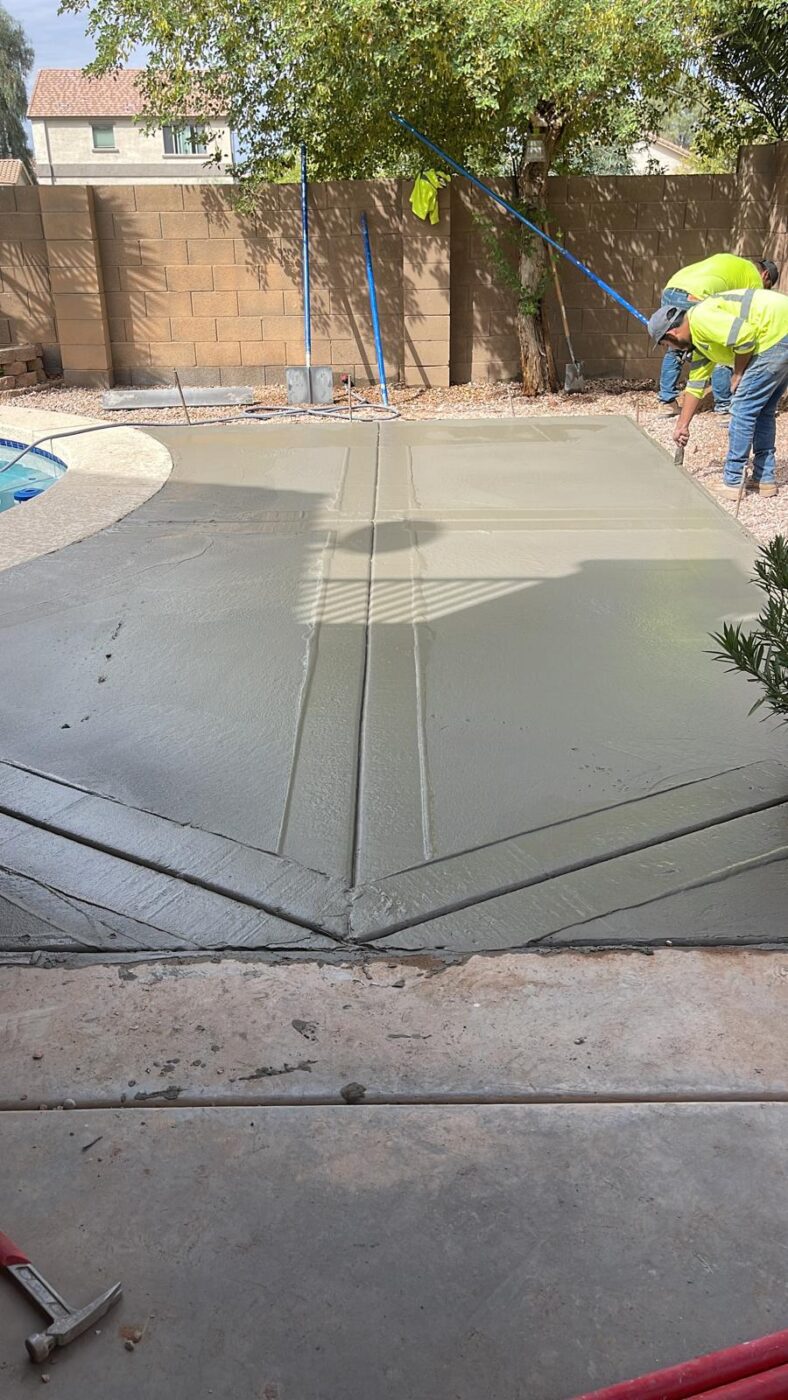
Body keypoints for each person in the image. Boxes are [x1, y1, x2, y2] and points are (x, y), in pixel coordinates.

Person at [647, 287, 788, 498]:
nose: (672, 349)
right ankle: (763, 479)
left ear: (672, 333)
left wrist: (738, 373)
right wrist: (682, 425)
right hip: (779, 333)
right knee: (762, 411)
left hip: (775, 334)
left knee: (741, 409)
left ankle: (733, 482)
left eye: (667, 344)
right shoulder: (701, 342)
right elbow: (695, 386)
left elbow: (745, 337)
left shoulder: (702, 319)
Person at [657, 253, 779, 415]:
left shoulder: (735, 265)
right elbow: (747, 317)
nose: (765, 289)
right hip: (696, 295)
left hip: (671, 289)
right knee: (721, 343)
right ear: (765, 275)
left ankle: (666, 402)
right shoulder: (755, 280)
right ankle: (724, 406)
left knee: (675, 346)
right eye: (767, 285)